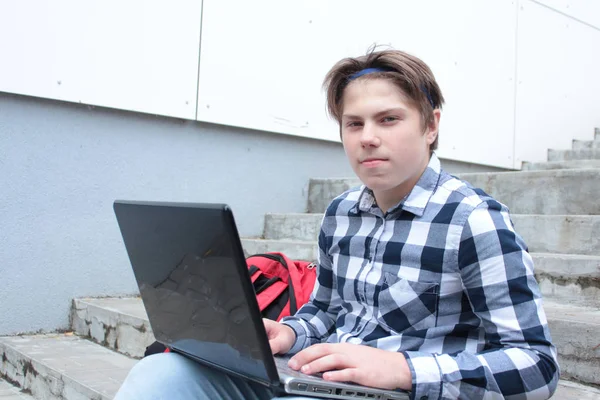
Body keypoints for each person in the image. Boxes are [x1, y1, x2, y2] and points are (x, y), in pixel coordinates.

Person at [115, 48, 559, 400]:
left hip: (401, 391)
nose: (368, 137)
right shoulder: (341, 213)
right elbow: (327, 312)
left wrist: (403, 370)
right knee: (162, 372)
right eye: (354, 123)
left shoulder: (474, 221)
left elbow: (536, 366)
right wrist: (287, 332)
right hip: (314, 375)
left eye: (389, 119)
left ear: (430, 126)